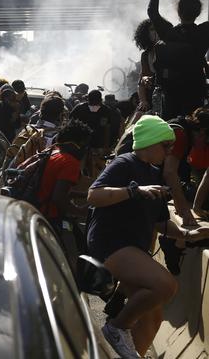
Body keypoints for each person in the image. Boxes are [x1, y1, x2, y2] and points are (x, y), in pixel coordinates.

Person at [86, 115, 209, 358]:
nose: (171, 151)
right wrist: (134, 191)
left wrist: (188, 233)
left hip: (131, 247)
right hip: (111, 243)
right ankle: (116, 327)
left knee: (152, 318)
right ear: (151, 143)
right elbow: (94, 195)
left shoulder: (153, 174)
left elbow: (159, 222)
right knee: (166, 285)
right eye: (166, 145)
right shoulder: (125, 163)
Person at [147, 0, 208, 119]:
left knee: (171, 125)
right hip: (195, 86)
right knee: (194, 123)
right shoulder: (204, 32)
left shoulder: (168, 32)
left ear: (178, 12)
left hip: (170, 88)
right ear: (198, 13)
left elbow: (152, 12)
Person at [34, 119, 92, 228]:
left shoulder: (52, 152)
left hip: (35, 212)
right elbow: (58, 197)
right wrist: (80, 211)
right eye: (85, 145)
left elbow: (51, 188)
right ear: (76, 143)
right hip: (48, 219)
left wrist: (86, 195)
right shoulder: (69, 162)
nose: (85, 150)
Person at [4, 95, 65, 168]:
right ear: (60, 115)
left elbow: (9, 157)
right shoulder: (59, 138)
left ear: (40, 112)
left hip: (14, 176)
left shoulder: (26, 130)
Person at [71, 89, 119, 178]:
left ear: (100, 101)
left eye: (96, 102)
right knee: (79, 167)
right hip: (81, 144)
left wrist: (106, 146)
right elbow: (70, 125)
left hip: (98, 145)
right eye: (92, 102)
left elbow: (107, 129)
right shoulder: (79, 108)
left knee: (98, 168)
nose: (94, 105)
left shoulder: (105, 110)